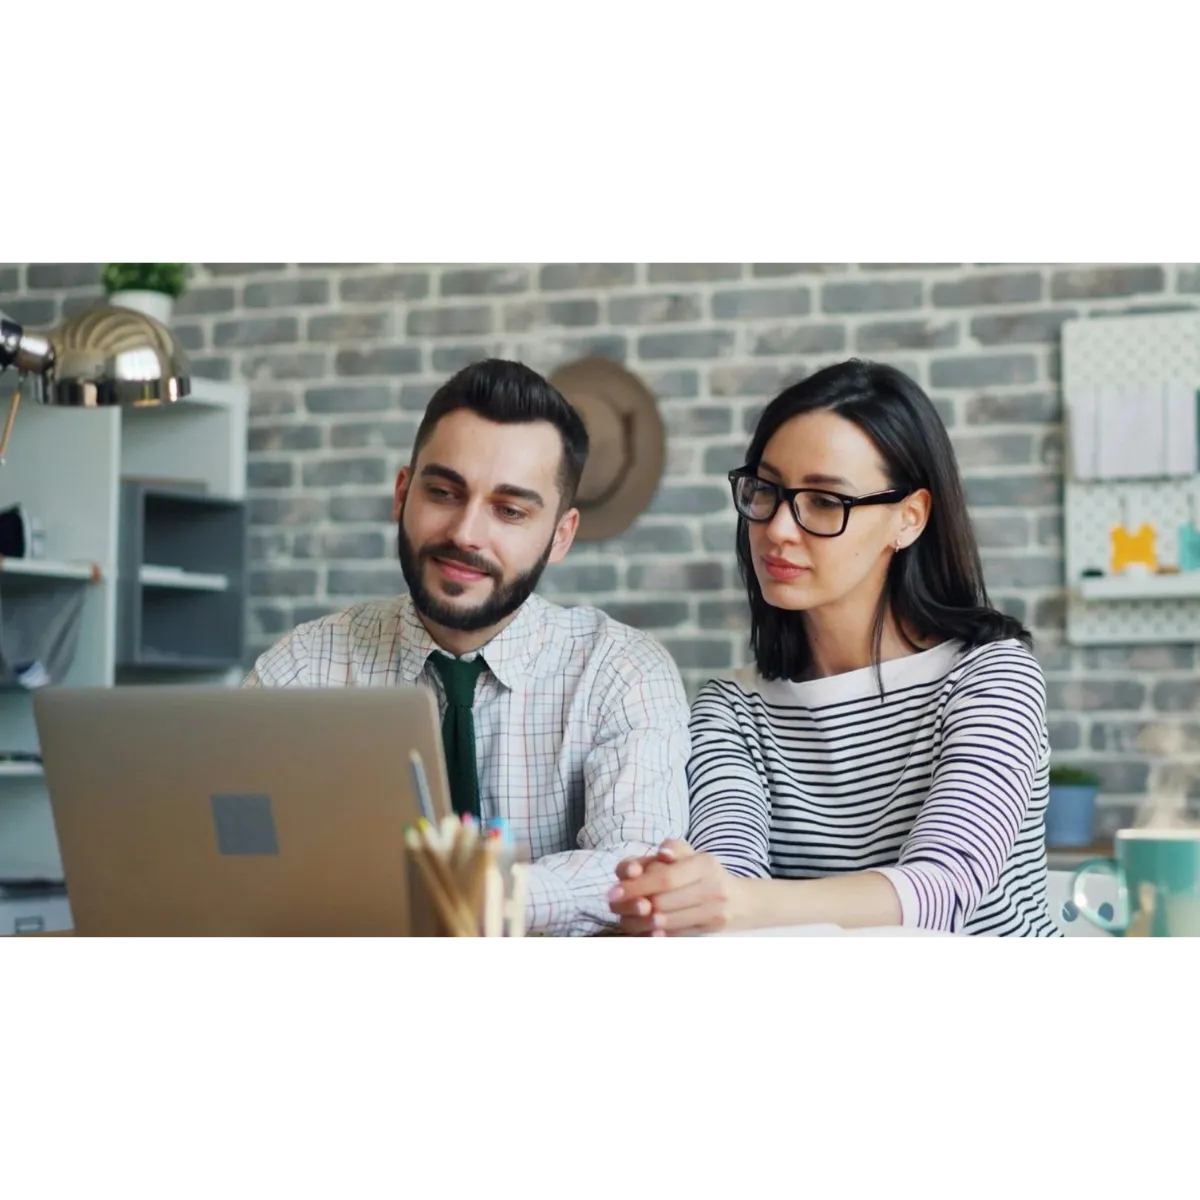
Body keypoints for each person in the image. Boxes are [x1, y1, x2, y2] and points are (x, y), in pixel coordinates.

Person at [606, 357, 1061, 941]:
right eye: (766, 490)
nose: (778, 529)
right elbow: (729, 888)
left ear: (909, 519)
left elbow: (941, 892)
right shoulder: (732, 709)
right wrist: (687, 896)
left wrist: (734, 902)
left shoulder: (991, 675)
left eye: (824, 501)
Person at [245, 358, 691, 939]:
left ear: (560, 536)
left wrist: (481, 896)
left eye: (509, 510)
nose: (465, 533)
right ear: (402, 493)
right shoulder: (304, 666)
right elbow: (232, 855)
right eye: (443, 492)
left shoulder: (622, 671)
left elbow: (634, 868)